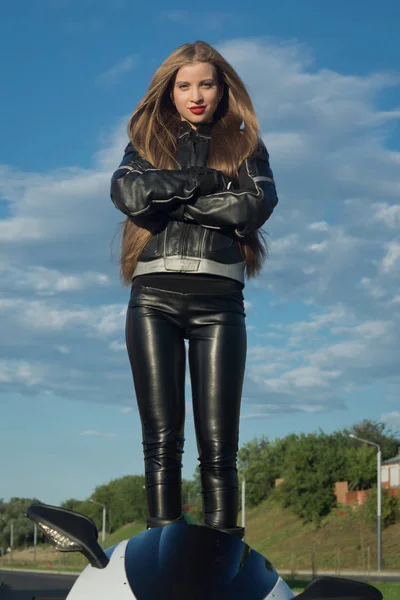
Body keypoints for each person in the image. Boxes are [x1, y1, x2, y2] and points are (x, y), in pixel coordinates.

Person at [110, 41, 279, 539]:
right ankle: (162, 539)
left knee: (219, 442)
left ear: (223, 87)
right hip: (152, 300)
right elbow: (127, 193)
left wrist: (170, 196)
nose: (196, 95)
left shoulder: (246, 145)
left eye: (206, 83)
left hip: (220, 303)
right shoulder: (143, 142)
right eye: (184, 86)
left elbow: (251, 209)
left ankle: (223, 545)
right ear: (170, 92)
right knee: (161, 441)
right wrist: (206, 182)